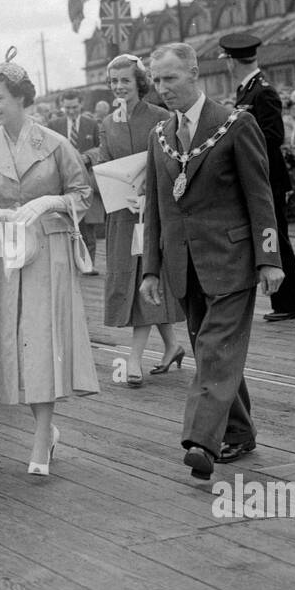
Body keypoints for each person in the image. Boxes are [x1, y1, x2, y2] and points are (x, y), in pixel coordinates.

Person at [140, 44, 283, 480]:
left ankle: (202, 440)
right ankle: (239, 431)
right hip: (185, 267)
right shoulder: (160, 135)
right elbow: (158, 208)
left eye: (171, 79)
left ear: (195, 73)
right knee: (214, 350)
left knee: (213, 349)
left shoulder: (236, 124)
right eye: (157, 81)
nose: (163, 89)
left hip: (233, 261)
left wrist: (270, 259)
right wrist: (150, 268)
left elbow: (261, 196)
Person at [0, 51, 98, 474]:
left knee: (40, 342)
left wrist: (53, 201)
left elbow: (82, 193)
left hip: (44, 254)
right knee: (12, 344)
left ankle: (41, 438)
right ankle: (43, 432)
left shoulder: (54, 145)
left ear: (20, 98)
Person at [93, 53, 182, 386]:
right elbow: (104, 164)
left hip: (152, 213)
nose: (119, 87)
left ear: (140, 82)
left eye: (125, 80)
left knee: (147, 278)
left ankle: (133, 358)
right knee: (130, 279)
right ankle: (172, 345)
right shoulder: (108, 123)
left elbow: (174, 164)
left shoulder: (161, 117)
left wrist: (149, 192)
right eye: (114, 81)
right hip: (121, 214)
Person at [221, 33, 295, 320]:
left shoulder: (262, 91)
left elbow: (273, 136)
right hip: (259, 175)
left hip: (267, 176)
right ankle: (283, 302)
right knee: (273, 236)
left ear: (231, 61)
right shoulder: (248, 89)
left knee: (277, 236)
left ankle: (288, 304)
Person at [46, 92, 103, 270]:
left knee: (88, 227)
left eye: (74, 107)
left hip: (86, 182)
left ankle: (89, 265)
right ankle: (69, 266)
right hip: (63, 183)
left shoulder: (92, 124)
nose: (71, 111)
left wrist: (87, 156)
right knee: (65, 225)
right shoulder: (54, 125)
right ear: (62, 106)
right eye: (67, 108)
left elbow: (101, 147)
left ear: (81, 105)